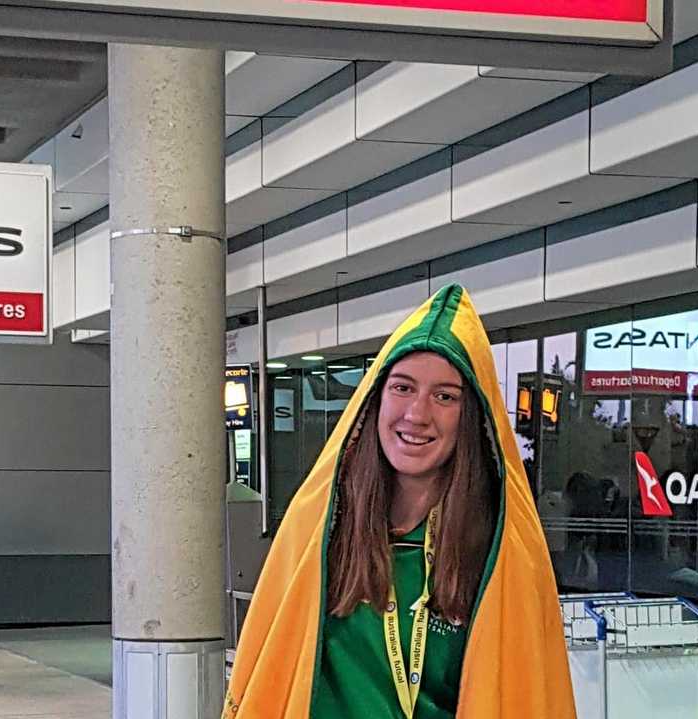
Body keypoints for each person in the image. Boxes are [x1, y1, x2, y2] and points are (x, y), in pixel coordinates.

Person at [225, 284, 575, 718]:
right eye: (403, 387)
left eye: (445, 396)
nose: (417, 414)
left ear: (472, 416)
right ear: (375, 400)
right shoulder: (320, 527)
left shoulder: (501, 553)